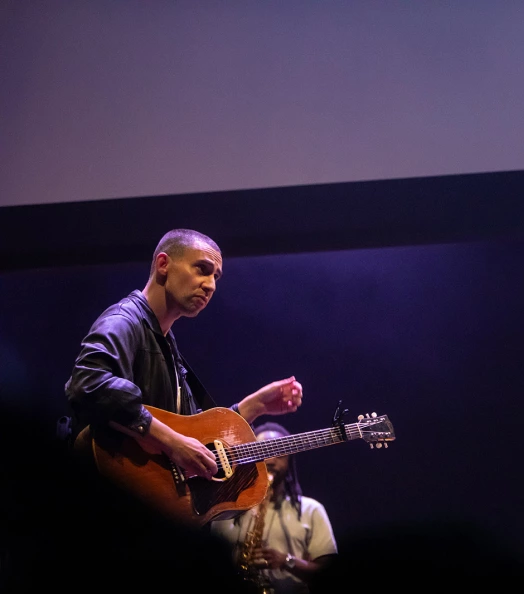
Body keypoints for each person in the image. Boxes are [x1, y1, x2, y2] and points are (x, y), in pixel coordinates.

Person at [64, 228, 303, 482]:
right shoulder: (123, 321)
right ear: (163, 265)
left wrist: (254, 406)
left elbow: (193, 431)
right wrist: (172, 442)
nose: (211, 285)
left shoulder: (167, 342)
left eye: (215, 276)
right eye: (202, 269)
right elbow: (89, 382)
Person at [211, 421, 338, 594]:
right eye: (263, 452)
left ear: (289, 460)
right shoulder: (224, 509)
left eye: (279, 453)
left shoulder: (311, 509)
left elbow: (329, 575)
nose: (270, 460)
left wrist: (287, 561)